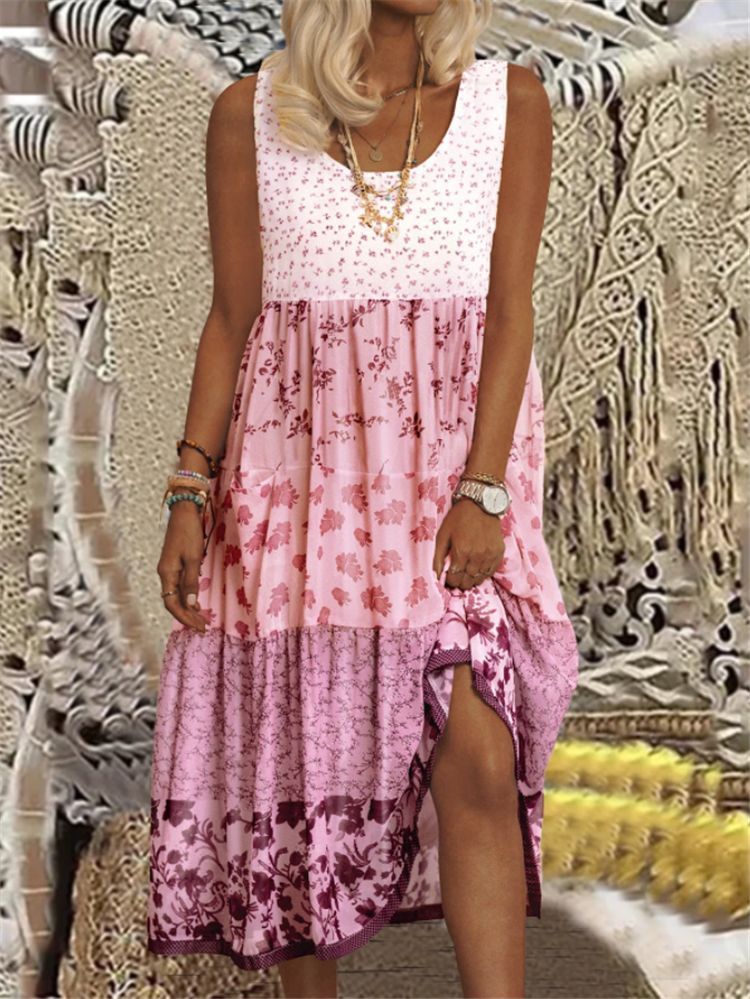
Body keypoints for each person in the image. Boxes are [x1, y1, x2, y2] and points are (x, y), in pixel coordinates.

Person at [147, 1, 580, 997]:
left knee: (478, 751)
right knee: (299, 773)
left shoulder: (509, 103)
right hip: (297, 497)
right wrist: (188, 488)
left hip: (449, 488)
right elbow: (232, 319)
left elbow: (511, 312)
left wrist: (485, 487)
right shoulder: (249, 114)